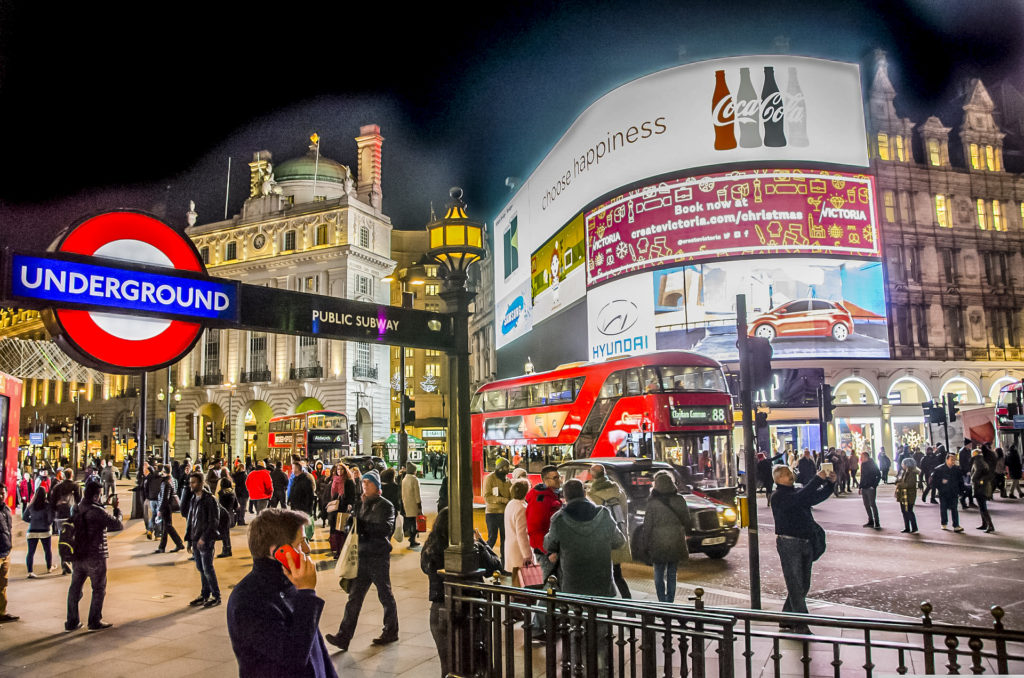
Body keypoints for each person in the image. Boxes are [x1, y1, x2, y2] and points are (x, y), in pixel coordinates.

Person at [226, 507, 337, 678]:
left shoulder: (291, 583)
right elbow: (293, 656)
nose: (307, 549)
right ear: (278, 552)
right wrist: (307, 593)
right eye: (301, 542)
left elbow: (316, 647)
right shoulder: (248, 600)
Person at [420, 509, 502, 678]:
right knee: (477, 661)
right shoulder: (471, 548)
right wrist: (482, 542)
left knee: (449, 666)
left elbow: (425, 568)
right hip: (469, 609)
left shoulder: (430, 547)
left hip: (439, 609)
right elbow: (495, 566)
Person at [325, 471, 399, 651]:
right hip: (361, 556)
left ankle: (391, 630)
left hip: (377, 556)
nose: (365, 485)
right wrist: (350, 523)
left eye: (369, 482)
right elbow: (351, 526)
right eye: (364, 482)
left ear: (377, 486)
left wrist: (362, 526)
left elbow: (385, 529)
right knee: (354, 598)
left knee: (385, 595)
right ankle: (343, 637)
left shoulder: (386, 506)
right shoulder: (360, 504)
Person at [769, 464, 836, 634]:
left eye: (790, 472)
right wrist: (817, 479)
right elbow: (800, 498)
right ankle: (801, 623)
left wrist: (830, 484)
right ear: (777, 479)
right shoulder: (778, 496)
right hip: (789, 543)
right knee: (795, 584)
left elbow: (814, 497)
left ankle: (786, 618)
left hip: (805, 541)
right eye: (785, 474)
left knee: (803, 584)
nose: (790, 475)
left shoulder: (795, 492)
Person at [544, 478, 625, 597]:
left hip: (573, 586)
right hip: (602, 585)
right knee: (600, 615)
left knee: (576, 615)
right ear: (585, 493)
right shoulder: (604, 515)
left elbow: (548, 545)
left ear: (565, 497)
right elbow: (619, 541)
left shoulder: (559, 519)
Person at [66, 480, 123, 631]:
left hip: (78, 555)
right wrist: (117, 510)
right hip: (96, 554)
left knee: (75, 588)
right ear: (96, 496)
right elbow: (117, 525)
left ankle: (72, 621)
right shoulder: (97, 512)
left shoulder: (76, 508)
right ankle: (94, 620)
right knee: (98, 588)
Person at [636, 470, 689, 603]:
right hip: (676, 540)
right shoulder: (680, 500)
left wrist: (645, 544)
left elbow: (647, 526)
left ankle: (662, 601)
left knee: (658, 572)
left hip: (658, 542)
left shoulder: (652, 503)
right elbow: (687, 520)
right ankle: (670, 600)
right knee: (672, 573)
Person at [586, 464, 632, 598]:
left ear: (592, 475)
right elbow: (624, 514)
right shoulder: (618, 492)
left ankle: (604, 607)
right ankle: (630, 607)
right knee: (618, 575)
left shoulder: (592, 495)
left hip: (600, 542)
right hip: (618, 537)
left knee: (600, 577)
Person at [184, 471, 222, 608]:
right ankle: (205, 594)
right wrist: (189, 539)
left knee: (207, 568)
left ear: (201, 483)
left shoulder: (210, 500)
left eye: (193, 482)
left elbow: (213, 522)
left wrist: (204, 538)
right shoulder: (194, 499)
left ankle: (216, 595)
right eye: (190, 483)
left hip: (205, 540)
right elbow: (191, 520)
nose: (191, 485)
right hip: (195, 539)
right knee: (200, 567)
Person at [525, 465, 564, 586]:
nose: (559, 480)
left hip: (553, 548)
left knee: (555, 584)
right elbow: (535, 528)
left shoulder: (551, 496)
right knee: (549, 585)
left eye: (559, 477)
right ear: (546, 480)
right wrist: (548, 551)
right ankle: (543, 605)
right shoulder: (540, 500)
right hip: (547, 551)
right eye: (555, 478)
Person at [50, 469, 81, 575]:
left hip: (59, 517)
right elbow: (79, 500)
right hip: (71, 516)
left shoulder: (57, 487)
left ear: (64, 475)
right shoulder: (76, 486)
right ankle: (71, 560)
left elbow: (52, 501)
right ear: (72, 475)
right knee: (72, 539)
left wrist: (55, 513)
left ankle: (64, 561)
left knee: (62, 539)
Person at [503, 479, 533, 577]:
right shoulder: (522, 508)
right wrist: (527, 555)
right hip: (519, 550)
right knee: (524, 582)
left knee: (515, 580)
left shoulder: (510, 504)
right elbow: (522, 534)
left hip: (511, 547)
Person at [483, 458, 512, 557]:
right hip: (492, 513)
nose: (508, 468)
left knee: (505, 539)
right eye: (506, 467)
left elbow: (511, 496)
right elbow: (487, 497)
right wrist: (503, 500)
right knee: (492, 538)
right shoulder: (490, 478)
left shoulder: (508, 481)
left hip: (504, 514)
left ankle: (504, 564)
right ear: (500, 468)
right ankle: (484, 558)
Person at [23, 486, 54, 578]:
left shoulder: (31, 505)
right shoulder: (47, 505)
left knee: (30, 552)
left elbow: (24, 517)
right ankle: (49, 567)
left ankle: (30, 571)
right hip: (45, 531)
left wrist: (32, 521)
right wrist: (46, 523)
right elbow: (50, 520)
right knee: (47, 551)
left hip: (32, 531)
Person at [931, 452, 965, 532]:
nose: (953, 461)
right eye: (952, 459)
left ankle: (956, 525)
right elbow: (933, 482)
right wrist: (941, 482)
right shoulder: (939, 469)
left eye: (954, 460)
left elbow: (961, 481)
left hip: (954, 492)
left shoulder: (957, 469)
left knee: (954, 509)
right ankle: (944, 523)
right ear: (947, 459)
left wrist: (961, 491)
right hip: (943, 492)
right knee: (943, 508)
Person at [154, 465, 185, 553]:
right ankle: (162, 547)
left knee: (168, 526)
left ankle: (179, 543)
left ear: (164, 472)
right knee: (165, 527)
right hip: (168, 506)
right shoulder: (171, 480)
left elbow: (164, 498)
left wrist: (160, 510)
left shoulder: (165, 483)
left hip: (165, 507)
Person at [0, 484, 17, 625]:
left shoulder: (6, 509)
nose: (1, 495)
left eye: (3, 493)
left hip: (5, 551)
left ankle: (1, 612)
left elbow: (8, 529)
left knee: (3, 585)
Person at [970, 449, 995, 533]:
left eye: (972, 453)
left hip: (980, 487)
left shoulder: (977, 461)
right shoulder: (982, 460)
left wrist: (973, 479)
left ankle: (990, 525)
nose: (971, 454)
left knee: (982, 507)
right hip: (983, 486)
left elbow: (977, 472)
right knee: (981, 506)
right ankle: (984, 524)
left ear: (975, 454)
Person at [895, 457, 919, 533]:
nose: (902, 465)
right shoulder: (904, 472)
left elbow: (910, 484)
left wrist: (900, 484)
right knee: (904, 511)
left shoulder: (911, 473)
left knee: (909, 511)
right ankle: (907, 527)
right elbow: (899, 480)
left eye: (903, 464)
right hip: (903, 495)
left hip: (909, 495)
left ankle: (914, 527)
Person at [217, 476, 239, 557]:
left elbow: (220, 505)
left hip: (223, 515)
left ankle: (226, 550)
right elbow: (236, 506)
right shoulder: (232, 493)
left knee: (224, 534)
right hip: (231, 515)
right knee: (226, 533)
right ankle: (228, 549)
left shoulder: (221, 493)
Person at [401, 461, 422, 547]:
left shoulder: (404, 479)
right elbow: (417, 494)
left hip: (406, 503)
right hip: (413, 504)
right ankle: (412, 540)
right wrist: (419, 506)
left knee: (410, 522)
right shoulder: (414, 479)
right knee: (415, 523)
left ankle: (411, 538)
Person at [859, 451, 881, 529]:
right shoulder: (863, 465)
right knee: (866, 505)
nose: (861, 459)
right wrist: (860, 487)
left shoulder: (872, 464)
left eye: (862, 457)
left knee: (872, 504)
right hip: (864, 487)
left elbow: (878, 475)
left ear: (866, 457)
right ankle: (870, 521)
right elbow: (862, 476)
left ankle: (877, 522)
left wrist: (874, 485)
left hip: (870, 488)